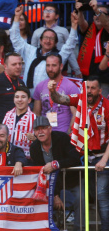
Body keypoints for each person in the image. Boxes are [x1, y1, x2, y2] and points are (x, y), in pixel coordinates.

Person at [49, 76, 109, 230]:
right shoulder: (80, 99)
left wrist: (104, 161)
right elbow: (60, 99)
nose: (89, 91)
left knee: (101, 196)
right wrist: (52, 90)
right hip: (83, 157)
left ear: (100, 90)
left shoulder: (107, 106)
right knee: (86, 194)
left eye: (93, 88)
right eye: (87, 88)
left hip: (102, 157)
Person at [10, 5, 79, 94]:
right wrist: (16, 18)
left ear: (56, 43)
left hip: (46, 100)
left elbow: (70, 45)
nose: (48, 41)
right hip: (27, 98)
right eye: (45, 38)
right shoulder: (31, 51)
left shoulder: (57, 57)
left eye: (52, 39)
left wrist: (74, 26)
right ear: (41, 41)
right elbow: (15, 39)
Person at [29, 116, 82, 230]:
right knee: (37, 198)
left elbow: (75, 158)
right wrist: (55, 194)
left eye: (43, 128)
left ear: (50, 129)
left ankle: (79, 228)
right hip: (50, 185)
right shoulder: (34, 148)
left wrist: (56, 164)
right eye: (37, 129)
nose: (40, 132)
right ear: (34, 132)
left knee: (80, 198)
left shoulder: (62, 138)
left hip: (71, 181)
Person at [30, 4, 82, 77]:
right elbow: (33, 52)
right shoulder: (37, 32)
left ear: (57, 16)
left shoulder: (63, 31)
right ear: (42, 15)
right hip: (40, 68)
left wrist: (77, 71)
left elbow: (70, 51)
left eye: (50, 11)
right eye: (45, 11)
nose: (47, 13)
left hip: (60, 67)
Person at [33, 53, 79, 134]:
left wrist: (69, 134)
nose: (50, 69)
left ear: (61, 66)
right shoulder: (40, 86)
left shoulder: (70, 87)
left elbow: (75, 114)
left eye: (54, 65)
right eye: (48, 65)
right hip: (45, 134)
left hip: (63, 133)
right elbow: (37, 113)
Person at [76, 0, 109, 96]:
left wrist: (97, 10)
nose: (97, 16)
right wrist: (80, 11)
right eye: (95, 14)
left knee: (103, 107)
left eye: (102, 13)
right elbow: (81, 24)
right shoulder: (90, 28)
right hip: (88, 78)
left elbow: (106, 24)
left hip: (104, 79)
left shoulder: (107, 29)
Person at [2, 86, 36, 157]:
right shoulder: (7, 115)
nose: (19, 100)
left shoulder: (34, 118)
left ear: (29, 100)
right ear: (14, 99)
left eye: (23, 97)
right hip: (7, 155)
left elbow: (40, 140)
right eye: (17, 97)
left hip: (26, 157)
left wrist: (35, 139)